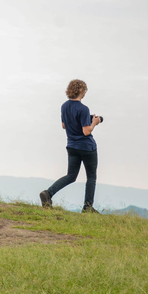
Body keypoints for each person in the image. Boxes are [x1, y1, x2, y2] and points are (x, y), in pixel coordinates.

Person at [40, 79, 102, 213]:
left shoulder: (64, 106)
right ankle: (87, 207)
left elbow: (64, 125)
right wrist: (94, 122)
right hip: (87, 147)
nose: (85, 92)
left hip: (72, 146)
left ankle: (48, 193)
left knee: (71, 176)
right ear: (81, 90)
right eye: (85, 90)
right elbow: (86, 131)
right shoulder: (83, 109)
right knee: (91, 177)